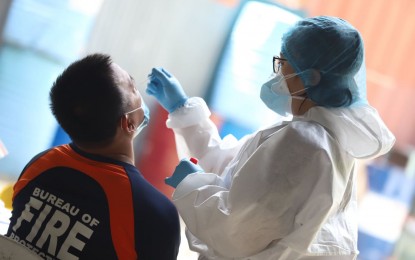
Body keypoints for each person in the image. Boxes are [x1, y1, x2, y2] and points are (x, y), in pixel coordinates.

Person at [146, 16, 396, 259]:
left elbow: (238, 231)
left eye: (283, 62)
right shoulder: (317, 141)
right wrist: (182, 109)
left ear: (308, 78)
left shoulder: (304, 144)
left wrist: (192, 185)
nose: (277, 71)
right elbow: (233, 172)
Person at [6, 54, 181, 260]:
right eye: (133, 88)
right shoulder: (154, 214)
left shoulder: (41, 164)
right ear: (128, 124)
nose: (139, 93)